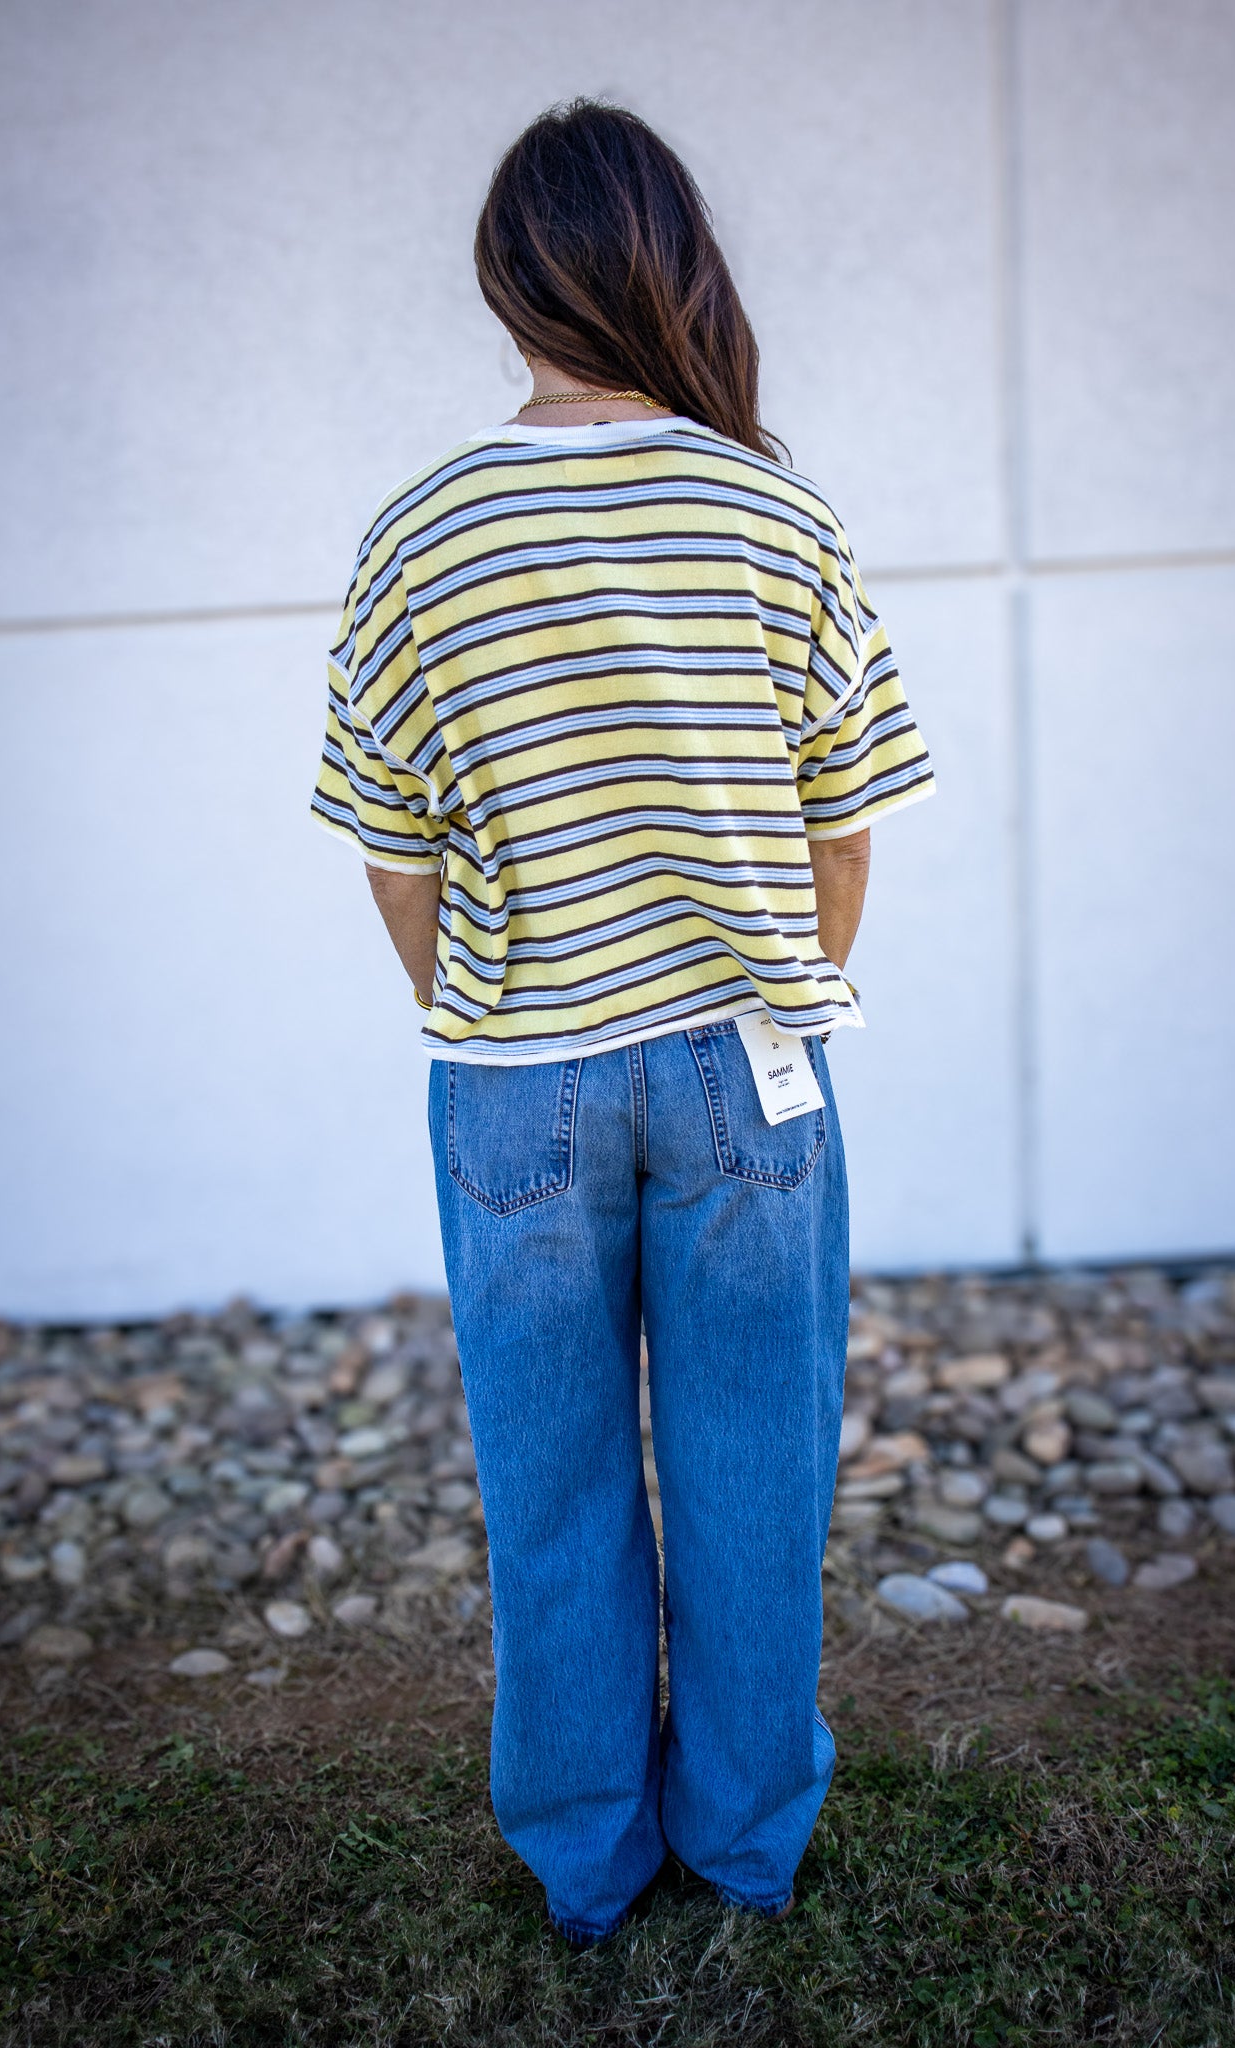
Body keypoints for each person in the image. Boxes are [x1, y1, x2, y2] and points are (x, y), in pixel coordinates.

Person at [311, 98, 934, 1947]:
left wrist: (478, 1007)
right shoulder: (772, 505)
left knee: (551, 1486)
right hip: (750, 1065)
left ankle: (587, 1862)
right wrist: (786, 995)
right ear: (669, 267)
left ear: (504, 284)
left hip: (519, 1077)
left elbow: (390, 844)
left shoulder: (421, 533)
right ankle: (745, 1847)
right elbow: (847, 813)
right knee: (754, 1469)